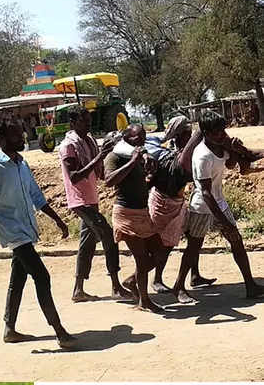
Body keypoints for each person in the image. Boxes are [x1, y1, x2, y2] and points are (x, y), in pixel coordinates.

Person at [0, 120, 77, 348]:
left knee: (17, 278)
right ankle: (59, 330)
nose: (21, 137)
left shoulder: (22, 164)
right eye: (15, 135)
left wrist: (57, 219)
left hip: (27, 229)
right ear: (1, 139)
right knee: (42, 276)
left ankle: (9, 329)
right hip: (13, 233)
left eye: (21, 133)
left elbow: (36, 196)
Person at [112, 116, 216, 293]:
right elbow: (121, 146)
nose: (188, 138)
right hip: (163, 203)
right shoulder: (160, 152)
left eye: (190, 134)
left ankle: (194, 275)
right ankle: (147, 279)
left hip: (177, 202)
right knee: (163, 247)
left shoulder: (172, 149)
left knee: (190, 237)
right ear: (176, 135)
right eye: (185, 134)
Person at [171, 112, 264, 302]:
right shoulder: (202, 156)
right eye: (218, 132)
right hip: (203, 206)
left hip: (219, 201)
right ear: (206, 133)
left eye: (223, 130)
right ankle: (178, 286)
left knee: (236, 241)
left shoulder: (220, 146)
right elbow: (205, 192)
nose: (223, 134)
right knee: (194, 247)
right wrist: (224, 222)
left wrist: (237, 149)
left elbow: (231, 164)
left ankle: (250, 285)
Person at [58, 107, 133, 302]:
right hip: (80, 200)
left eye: (89, 120)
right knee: (108, 235)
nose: (88, 124)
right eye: (84, 121)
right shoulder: (68, 145)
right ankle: (116, 285)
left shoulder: (89, 141)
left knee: (87, 244)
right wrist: (99, 157)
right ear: (72, 124)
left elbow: (98, 172)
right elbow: (74, 176)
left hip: (91, 198)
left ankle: (78, 289)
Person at [104, 124, 167, 313]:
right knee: (141, 258)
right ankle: (144, 301)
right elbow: (109, 180)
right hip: (126, 213)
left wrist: (149, 176)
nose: (140, 141)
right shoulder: (114, 156)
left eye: (143, 137)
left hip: (142, 211)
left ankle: (132, 281)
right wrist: (132, 162)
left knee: (160, 253)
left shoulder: (141, 154)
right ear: (126, 138)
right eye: (136, 138)